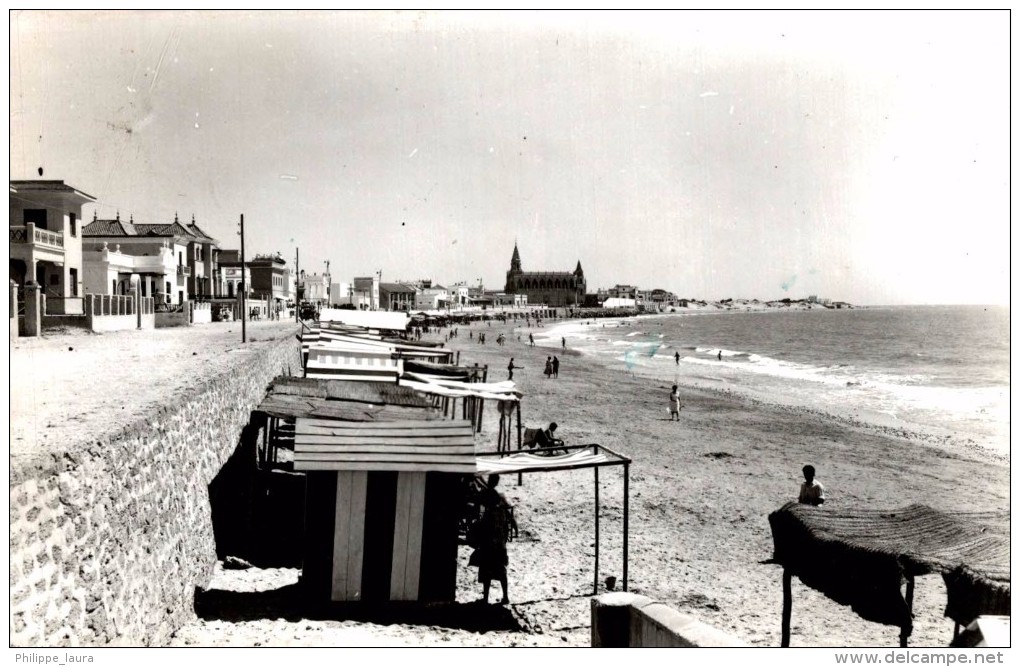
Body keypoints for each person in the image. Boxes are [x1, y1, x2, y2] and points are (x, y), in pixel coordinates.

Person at [468, 475, 518, 604]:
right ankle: (505, 596)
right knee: (500, 570)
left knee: (486, 569)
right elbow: (510, 520)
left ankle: (485, 598)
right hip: (499, 544)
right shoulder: (500, 505)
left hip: (489, 543)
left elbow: (476, 512)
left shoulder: (488, 509)